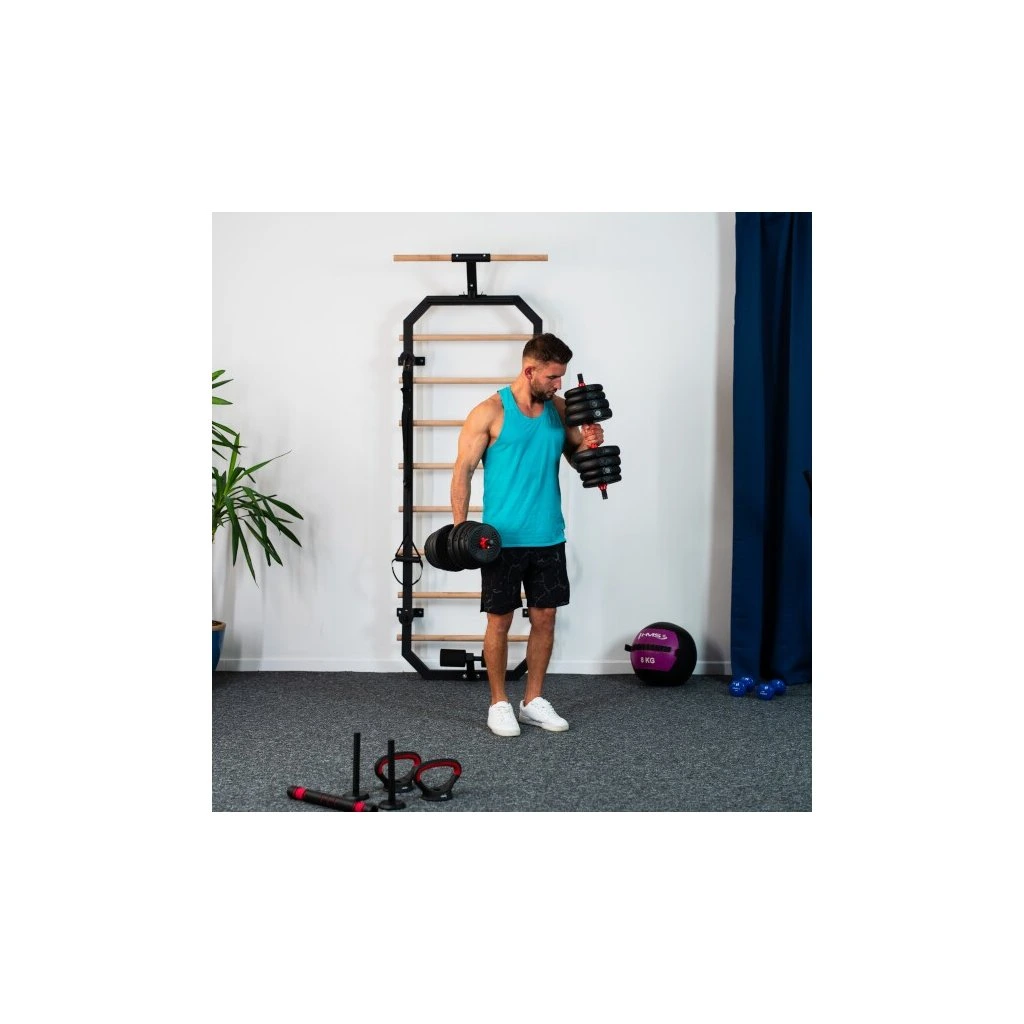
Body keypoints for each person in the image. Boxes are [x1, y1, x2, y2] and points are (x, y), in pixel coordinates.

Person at [450, 333, 604, 736]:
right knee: (499, 621)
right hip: (501, 539)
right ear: (529, 370)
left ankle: (533, 700)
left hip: (549, 535)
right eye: (553, 377)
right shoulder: (489, 411)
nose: (559, 384)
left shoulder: (560, 410)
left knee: (545, 619)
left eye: (561, 377)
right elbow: (462, 471)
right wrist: (460, 531)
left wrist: (591, 445)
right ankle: (498, 703)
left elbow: (579, 460)